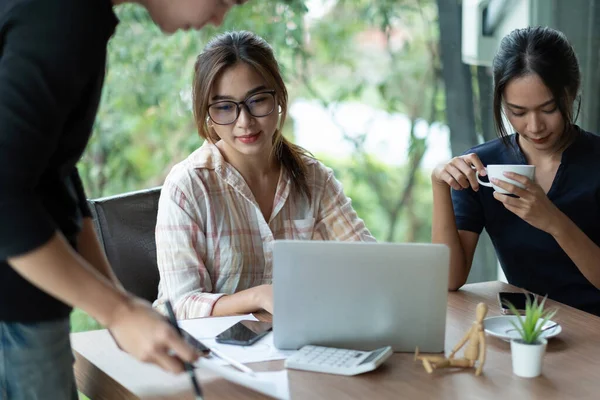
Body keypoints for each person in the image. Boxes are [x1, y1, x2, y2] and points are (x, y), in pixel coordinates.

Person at [0, 0, 246, 398]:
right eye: (226, 0)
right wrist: (116, 311)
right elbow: (6, 194)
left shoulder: (79, 17)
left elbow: (51, 172)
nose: (220, 17)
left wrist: (122, 303)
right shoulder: (65, 16)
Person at [153, 31, 375, 319]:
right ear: (207, 113)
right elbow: (179, 306)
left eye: (257, 101)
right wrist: (259, 296)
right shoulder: (188, 186)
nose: (244, 122)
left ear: (279, 97)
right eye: (224, 107)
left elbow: (370, 267)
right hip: (212, 354)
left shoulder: (312, 178)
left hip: (299, 342)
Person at [431, 26, 600, 316]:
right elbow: (449, 280)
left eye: (548, 109)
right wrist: (438, 183)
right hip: (525, 329)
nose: (534, 127)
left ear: (571, 93)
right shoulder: (484, 168)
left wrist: (553, 221)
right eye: (518, 112)